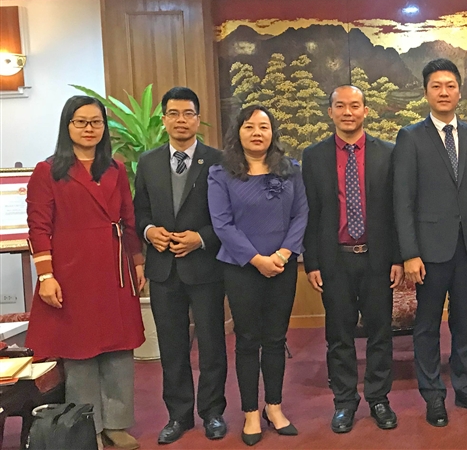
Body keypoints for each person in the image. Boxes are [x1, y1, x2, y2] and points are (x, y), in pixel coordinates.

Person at [25, 95, 146, 450]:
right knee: (80, 351)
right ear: (68, 126)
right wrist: (46, 276)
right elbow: (38, 226)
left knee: (119, 348)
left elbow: (128, 217)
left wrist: (137, 262)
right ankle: (85, 425)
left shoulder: (116, 168)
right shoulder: (47, 171)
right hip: (72, 271)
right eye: (81, 122)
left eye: (96, 122)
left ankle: (117, 423)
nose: (89, 128)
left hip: (115, 267)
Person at [393, 58, 467, 426]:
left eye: (450, 85)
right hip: (428, 252)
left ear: (459, 91)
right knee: (427, 326)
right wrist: (409, 253)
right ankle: (433, 394)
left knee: (466, 322)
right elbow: (402, 200)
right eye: (436, 86)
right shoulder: (410, 137)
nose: (443, 92)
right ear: (426, 92)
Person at [302, 85, 403, 433]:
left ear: (365, 111)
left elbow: (396, 210)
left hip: (378, 259)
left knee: (380, 333)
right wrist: (312, 262)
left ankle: (379, 398)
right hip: (335, 261)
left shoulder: (388, 153)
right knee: (339, 335)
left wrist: (398, 257)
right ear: (330, 111)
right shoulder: (314, 156)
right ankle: (344, 402)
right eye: (341, 106)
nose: (348, 112)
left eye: (355, 105)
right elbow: (309, 213)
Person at [207, 105, 308, 445]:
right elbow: (222, 224)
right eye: (249, 126)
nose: (257, 133)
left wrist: (282, 255)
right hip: (240, 268)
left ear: (272, 132)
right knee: (248, 340)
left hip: (282, 266)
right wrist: (256, 259)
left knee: (276, 339)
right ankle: (251, 411)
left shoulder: (291, 170)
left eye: (263, 127)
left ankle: (274, 407)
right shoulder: (221, 174)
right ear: (238, 132)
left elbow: (301, 215)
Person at [134, 87, 228, 444]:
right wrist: (149, 232)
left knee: (212, 345)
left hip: (205, 267)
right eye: (173, 114)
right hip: (163, 270)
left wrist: (200, 238)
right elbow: (139, 211)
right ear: (164, 120)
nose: (181, 120)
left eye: (188, 113)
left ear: (198, 119)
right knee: (172, 348)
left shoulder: (217, 161)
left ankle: (213, 412)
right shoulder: (148, 162)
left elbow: (227, 216)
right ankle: (178, 415)